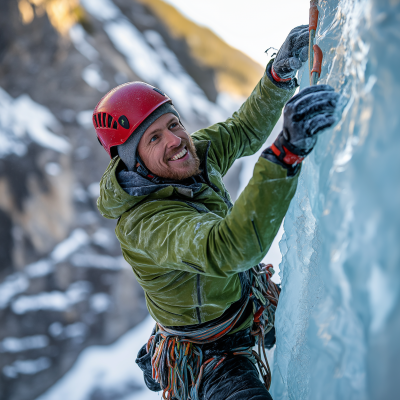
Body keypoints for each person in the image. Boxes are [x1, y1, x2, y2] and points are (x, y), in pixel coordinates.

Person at [93, 25, 339, 400]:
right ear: (134, 163)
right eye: (154, 138)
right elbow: (229, 248)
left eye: (173, 124)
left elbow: (241, 131)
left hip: (243, 298)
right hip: (211, 351)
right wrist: (286, 153)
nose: (175, 140)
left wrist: (278, 76)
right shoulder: (145, 224)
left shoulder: (190, 157)